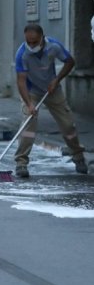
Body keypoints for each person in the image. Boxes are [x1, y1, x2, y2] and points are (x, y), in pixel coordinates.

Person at [14, 24, 88, 178]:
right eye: (29, 42)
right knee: (28, 126)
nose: (31, 45)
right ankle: (21, 163)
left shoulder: (54, 46)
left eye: (35, 42)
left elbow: (70, 62)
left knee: (68, 125)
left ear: (42, 38)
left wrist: (56, 79)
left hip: (52, 89)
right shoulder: (22, 54)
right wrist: (29, 104)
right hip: (31, 92)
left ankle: (78, 156)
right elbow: (21, 82)